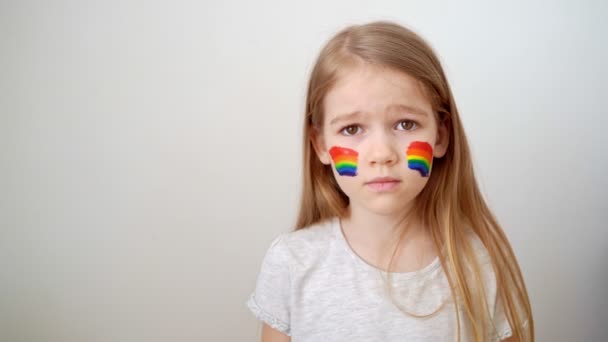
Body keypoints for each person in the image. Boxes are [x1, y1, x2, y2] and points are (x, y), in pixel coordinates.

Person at [246, 21, 533, 342]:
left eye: (406, 124)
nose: (381, 153)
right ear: (321, 145)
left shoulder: (478, 264)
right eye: (352, 129)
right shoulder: (291, 263)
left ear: (441, 135)